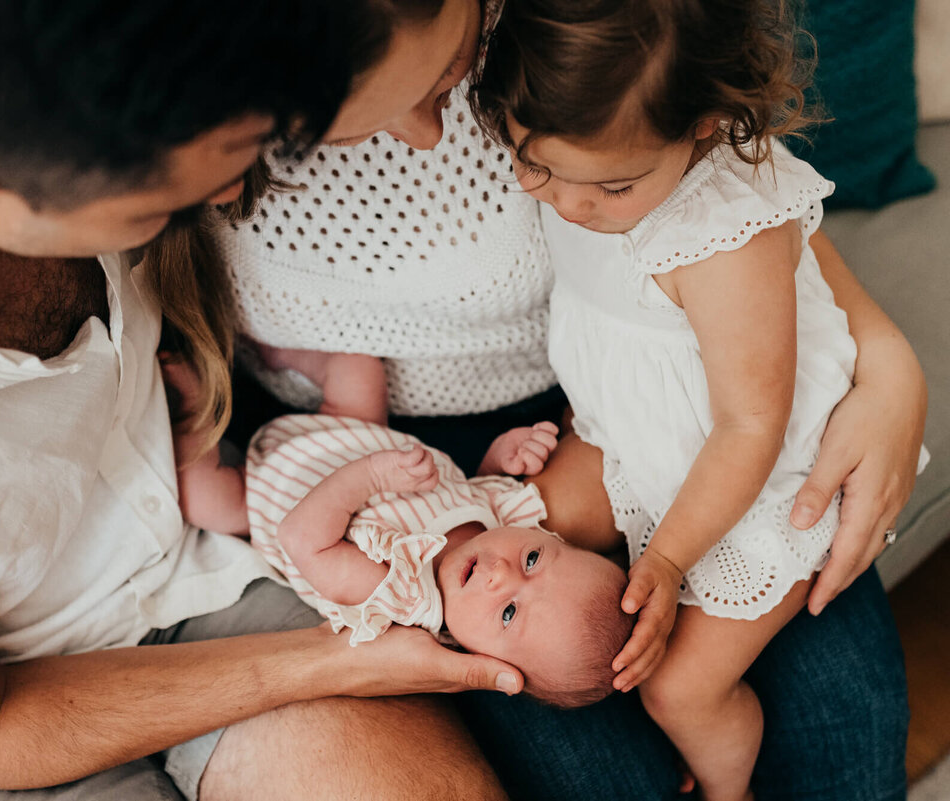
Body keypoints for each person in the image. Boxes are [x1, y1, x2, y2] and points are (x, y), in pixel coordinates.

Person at [0, 2, 530, 801]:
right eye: (161, 206)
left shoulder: (61, 77)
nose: (231, 191)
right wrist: (341, 659)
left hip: (202, 573)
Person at [214, 0, 927, 797]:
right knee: (605, 769)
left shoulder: (582, 47)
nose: (434, 131)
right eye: (352, 121)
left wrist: (892, 366)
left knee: (841, 728)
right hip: (531, 431)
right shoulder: (181, 131)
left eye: (451, 77)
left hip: (706, 450)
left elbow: (756, 229)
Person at [469, 1, 932, 798]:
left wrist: (671, 555)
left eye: (611, 185)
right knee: (520, 515)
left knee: (679, 687)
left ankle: (726, 785)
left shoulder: (726, 233)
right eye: (533, 165)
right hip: (637, 436)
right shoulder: (585, 154)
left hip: (764, 480)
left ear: (707, 127)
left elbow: (754, 423)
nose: (570, 206)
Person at [161, 351, 631, 707]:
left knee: (204, 500)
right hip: (350, 429)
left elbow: (302, 539)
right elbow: (469, 485)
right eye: (533, 561)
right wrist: (503, 456)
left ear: (485, 661)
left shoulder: (402, 596)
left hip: (264, 492)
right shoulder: (501, 520)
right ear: (551, 538)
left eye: (508, 613)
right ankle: (274, 356)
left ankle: (192, 412)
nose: (501, 575)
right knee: (359, 366)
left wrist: (371, 477)